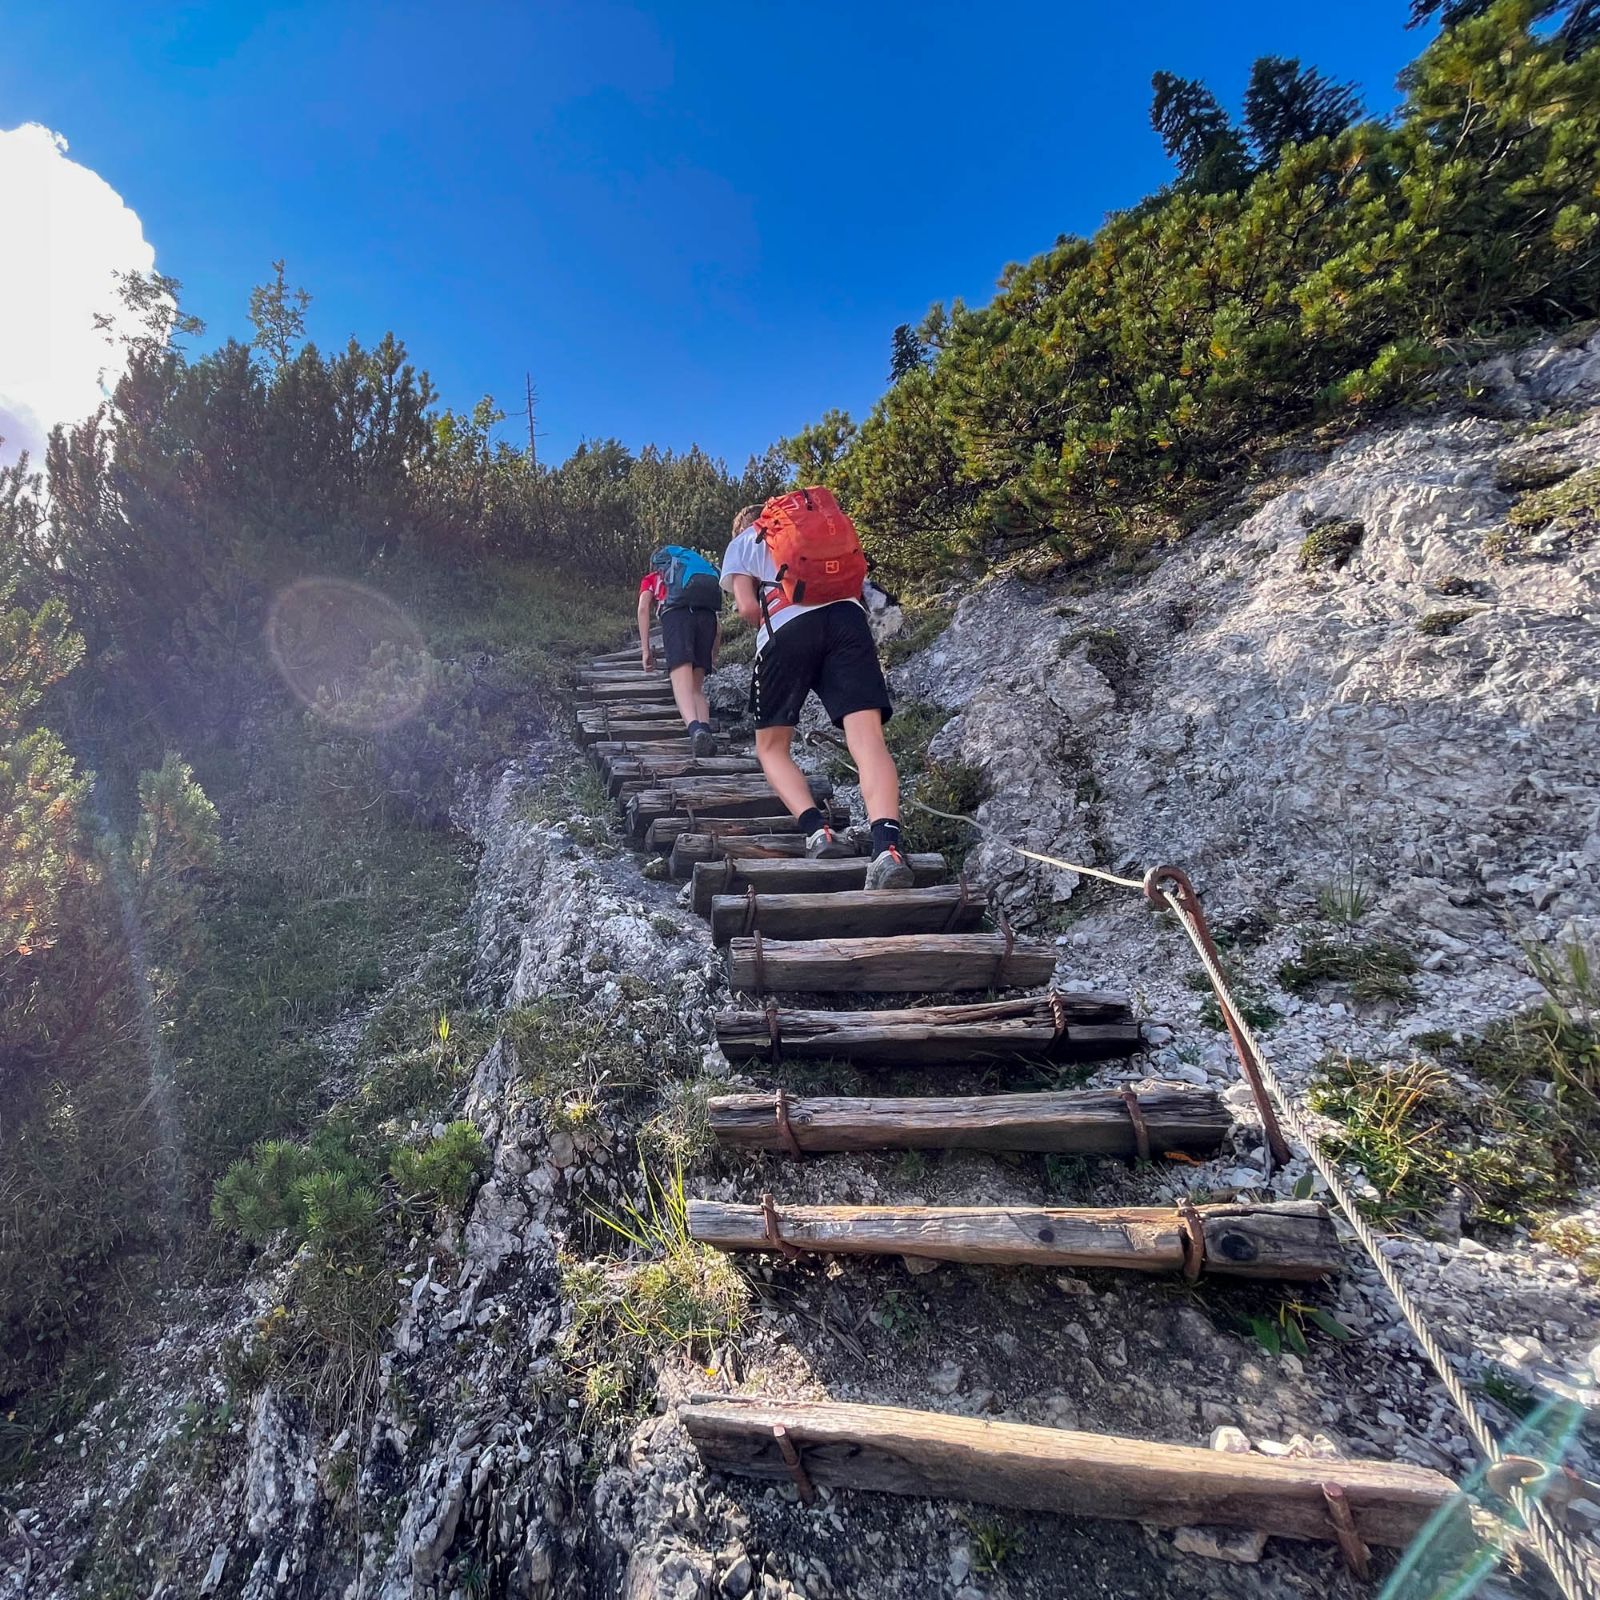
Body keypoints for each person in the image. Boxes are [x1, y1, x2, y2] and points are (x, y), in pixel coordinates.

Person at [719, 495, 913, 890]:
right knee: (868, 740)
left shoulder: (745, 541)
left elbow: (744, 608)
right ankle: (887, 849)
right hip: (847, 622)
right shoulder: (822, 532)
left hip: (786, 630)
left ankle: (817, 831)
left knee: (771, 748)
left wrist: (770, 616)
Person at [638, 545, 723, 758]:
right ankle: (706, 731)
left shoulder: (652, 578)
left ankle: (695, 730)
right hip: (707, 619)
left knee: (681, 683)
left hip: (677, 618)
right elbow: (718, 625)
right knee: (696, 688)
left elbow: (642, 608)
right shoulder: (695, 580)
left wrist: (645, 649)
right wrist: (713, 653)